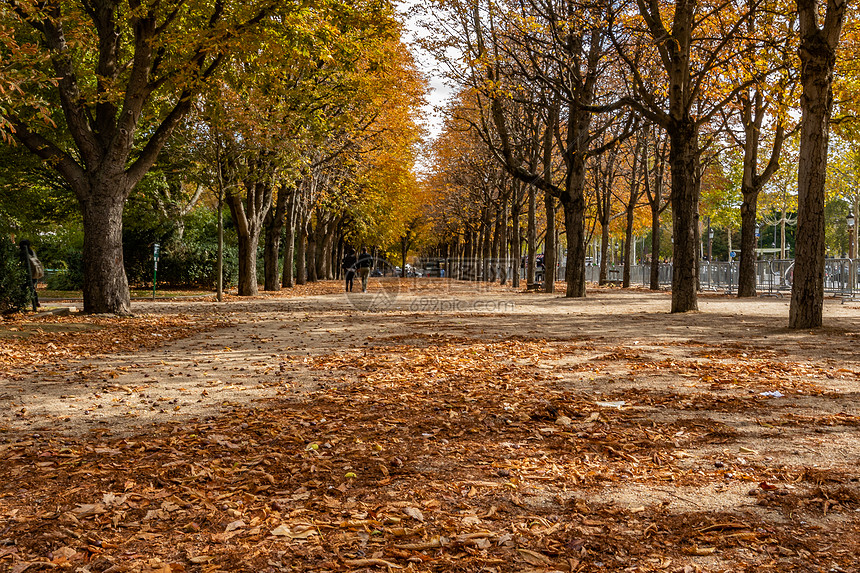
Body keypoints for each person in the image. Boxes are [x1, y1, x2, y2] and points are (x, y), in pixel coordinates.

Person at [19, 240, 43, 311]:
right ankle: (36, 302)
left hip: (27, 273)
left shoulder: (23, 253)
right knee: (32, 288)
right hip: (34, 273)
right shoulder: (32, 252)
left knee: (23, 288)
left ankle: (21, 302)